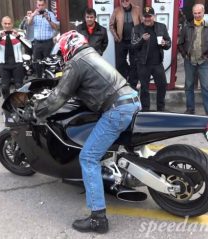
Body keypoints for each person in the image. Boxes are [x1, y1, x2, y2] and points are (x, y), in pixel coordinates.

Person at [33, 30, 141, 233]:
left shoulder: (77, 62)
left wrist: (37, 111)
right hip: (132, 101)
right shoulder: (91, 55)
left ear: (68, 47)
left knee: (88, 158)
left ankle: (97, 219)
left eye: (62, 50)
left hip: (117, 110)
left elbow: (58, 97)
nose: (62, 54)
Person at [177, 4, 208, 121]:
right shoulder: (187, 27)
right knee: (189, 85)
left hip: (203, 62)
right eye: (195, 13)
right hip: (189, 61)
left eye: (199, 13)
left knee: (205, 86)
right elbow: (180, 44)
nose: (197, 15)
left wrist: (207, 55)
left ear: (203, 12)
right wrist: (185, 55)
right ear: (193, 13)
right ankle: (190, 108)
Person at [132, 6, 171, 112]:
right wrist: (142, 40)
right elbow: (133, 45)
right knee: (144, 88)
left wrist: (164, 43)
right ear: (142, 17)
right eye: (145, 16)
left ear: (154, 16)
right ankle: (145, 110)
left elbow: (169, 44)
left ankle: (160, 108)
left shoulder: (161, 27)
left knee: (162, 86)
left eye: (149, 16)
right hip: (143, 64)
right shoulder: (136, 28)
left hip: (157, 63)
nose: (147, 19)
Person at [0, 16, 31, 99]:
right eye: (5, 23)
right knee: (4, 87)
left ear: (12, 24)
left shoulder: (20, 34)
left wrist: (18, 36)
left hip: (17, 63)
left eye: (9, 23)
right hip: (4, 64)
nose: (7, 26)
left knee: (19, 86)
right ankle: (7, 107)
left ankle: (20, 106)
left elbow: (29, 45)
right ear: (2, 24)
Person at [110, 0, 142, 89]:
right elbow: (111, 25)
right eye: (122, 0)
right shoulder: (117, 10)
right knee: (120, 63)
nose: (124, 2)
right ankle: (122, 84)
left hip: (134, 41)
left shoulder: (137, 9)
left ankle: (133, 85)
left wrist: (140, 38)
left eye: (126, 0)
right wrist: (116, 37)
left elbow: (142, 24)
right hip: (122, 41)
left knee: (134, 63)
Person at [27, 0, 60, 78]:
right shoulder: (34, 14)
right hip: (37, 43)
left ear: (45, 5)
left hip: (48, 43)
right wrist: (33, 15)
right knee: (37, 64)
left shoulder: (50, 14)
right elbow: (29, 23)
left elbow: (56, 28)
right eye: (39, 5)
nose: (40, 7)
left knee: (48, 63)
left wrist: (48, 19)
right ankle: (39, 80)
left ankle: (48, 81)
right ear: (37, 5)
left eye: (42, 5)